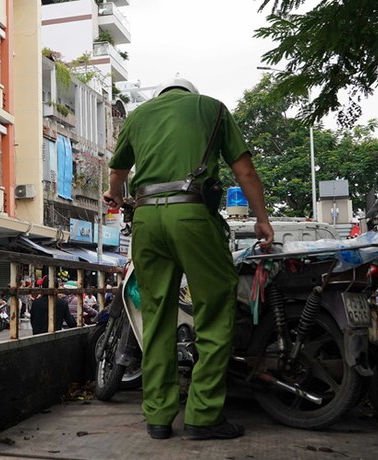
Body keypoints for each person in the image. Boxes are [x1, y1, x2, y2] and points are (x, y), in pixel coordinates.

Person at [103, 77, 274, 441]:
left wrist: (115, 196)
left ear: (163, 95)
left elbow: (117, 174)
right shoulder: (212, 109)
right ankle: (202, 415)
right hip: (193, 214)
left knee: (156, 315)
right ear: (189, 95)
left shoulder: (138, 115)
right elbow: (244, 171)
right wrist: (261, 219)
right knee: (214, 310)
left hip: (148, 219)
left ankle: (159, 417)